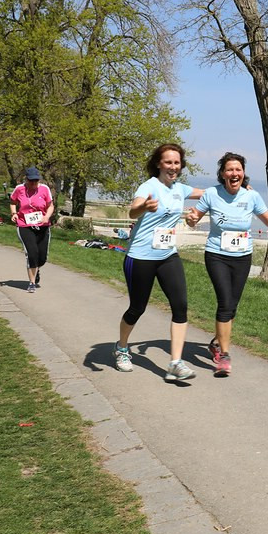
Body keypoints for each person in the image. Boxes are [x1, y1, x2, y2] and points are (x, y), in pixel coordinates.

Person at [184, 152, 268, 376]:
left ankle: (216, 343)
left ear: (243, 173)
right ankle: (224, 355)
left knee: (233, 306)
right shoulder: (212, 194)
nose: (234, 173)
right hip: (216, 255)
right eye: (230, 169)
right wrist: (191, 219)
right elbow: (194, 219)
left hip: (242, 257)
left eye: (238, 169)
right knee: (225, 303)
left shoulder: (251, 197)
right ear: (222, 174)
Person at [113, 143, 204, 381]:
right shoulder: (149, 186)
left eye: (177, 163)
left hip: (167, 255)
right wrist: (143, 206)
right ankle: (122, 347)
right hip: (140, 257)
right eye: (168, 162)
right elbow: (133, 212)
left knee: (180, 305)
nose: (173, 167)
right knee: (137, 308)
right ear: (158, 164)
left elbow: (207, 194)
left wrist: (236, 188)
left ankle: (175, 362)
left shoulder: (179, 189)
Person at [9, 167, 54, 293]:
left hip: (42, 226)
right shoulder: (19, 189)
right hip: (25, 225)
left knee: (42, 257)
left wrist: (46, 217)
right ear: (26, 179)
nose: (34, 184)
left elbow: (50, 206)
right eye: (31, 181)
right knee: (32, 253)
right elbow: (13, 202)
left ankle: (37, 269)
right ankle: (32, 283)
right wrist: (14, 213)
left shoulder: (44, 189)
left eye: (36, 181)